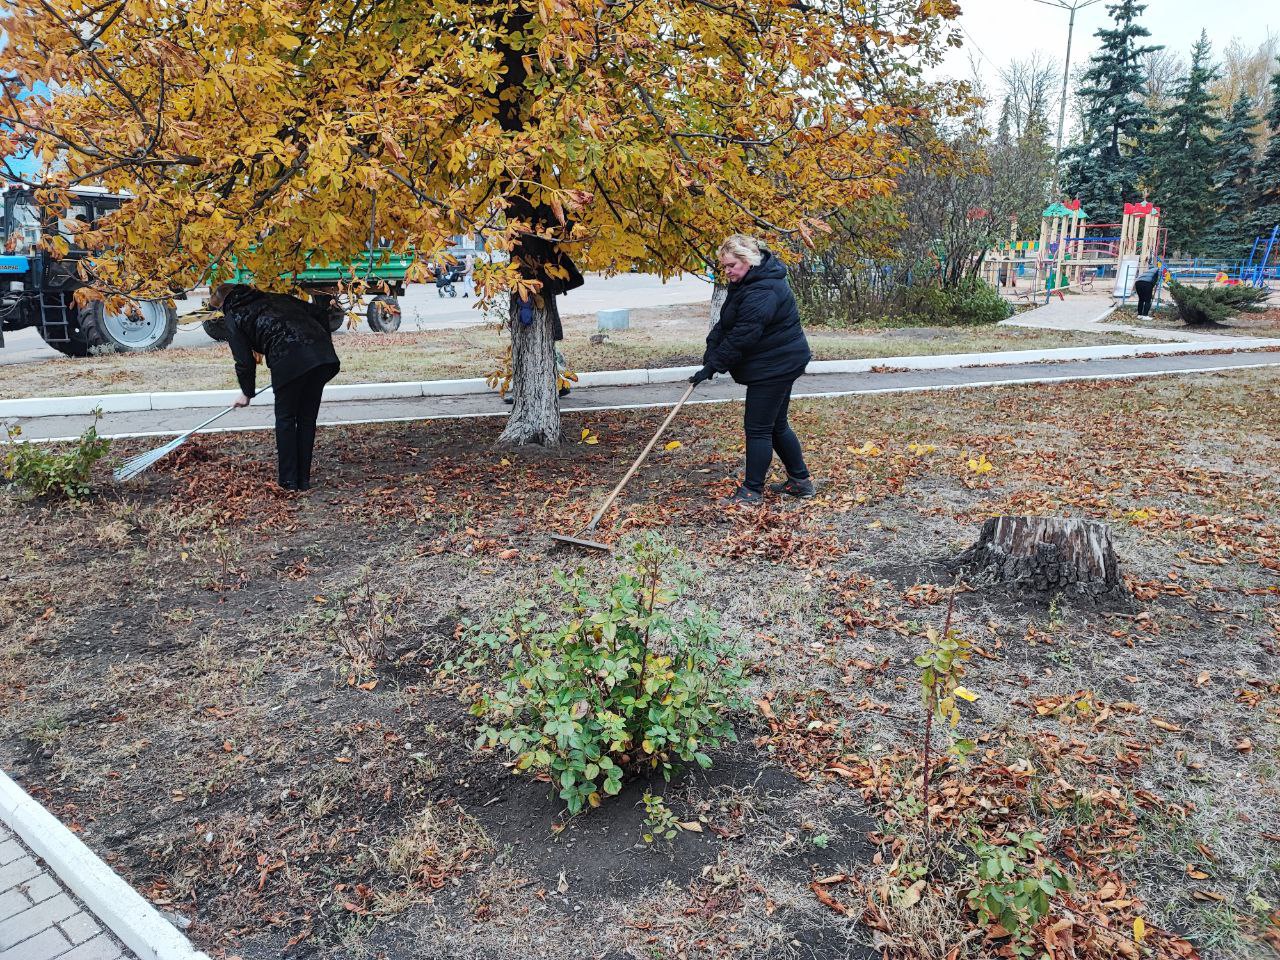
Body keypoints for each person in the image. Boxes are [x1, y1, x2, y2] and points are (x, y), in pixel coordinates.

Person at [691, 235, 813, 506]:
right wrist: (711, 353)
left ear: (748, 261)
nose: (727, 271)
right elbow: (727, 323)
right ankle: (800, 481)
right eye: (723, 266)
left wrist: (714, 366)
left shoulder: (764, 290)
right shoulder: (747, 282)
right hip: (778, 360)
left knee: (758, 428)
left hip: (777, 365)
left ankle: (751, 492)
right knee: (776, 425)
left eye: (731, 265)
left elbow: (744, 334)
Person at [209, 284, 341, 491]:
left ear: (223, 303)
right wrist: (320, 347)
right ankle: (303, 481)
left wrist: (246, 393)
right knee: (306, 419)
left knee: (286, 419)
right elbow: (319, 312)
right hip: (322, 359)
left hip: (289, 359)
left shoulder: (234, 314)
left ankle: (289, 482)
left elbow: (244, 360)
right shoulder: (277, 298)